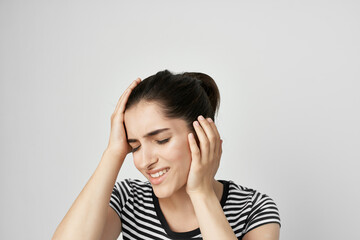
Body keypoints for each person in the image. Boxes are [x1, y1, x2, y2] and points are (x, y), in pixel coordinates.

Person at [52, 70, 281, 240]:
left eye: (161, 140)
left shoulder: (254, 209)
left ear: (203, 135)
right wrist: (113, 152)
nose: (144, 161)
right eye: (134, 146)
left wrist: (200, 193)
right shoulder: (128, 200)